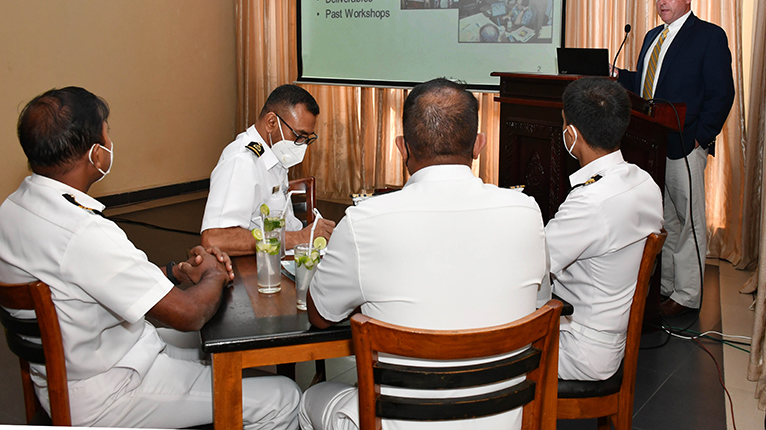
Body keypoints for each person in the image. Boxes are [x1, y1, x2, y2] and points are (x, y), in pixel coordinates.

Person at [0, 87, 301, 428]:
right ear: (96, 154)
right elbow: (190, 315)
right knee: (283, 396)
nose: (111, 141)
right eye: (107, 131)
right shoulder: (84, 232)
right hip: (111, 391)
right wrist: (214, 273)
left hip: (75, 369)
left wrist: (175, 272)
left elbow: (94, 277)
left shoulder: (12, 209)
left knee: (221, 345)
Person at [299, 78, 547, 430]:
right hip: (504, 418)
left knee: (308, 399)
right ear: (479, 145)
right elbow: (538, 302)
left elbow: (320, 315)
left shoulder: (363, 222)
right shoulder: (527, 212)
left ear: (402, 148)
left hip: (401, 422)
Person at [614, 0, 735, 316]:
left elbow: (722, 92)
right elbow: (650, 85)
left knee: (690, 221)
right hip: (651, 144)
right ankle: (666, 287)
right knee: (665, 221)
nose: (662, 1)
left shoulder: (708, 36)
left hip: (686, 142)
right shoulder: (653, 36)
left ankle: (688, 295)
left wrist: (701, 136)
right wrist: (619, 77)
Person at [547, 78, 663, 381]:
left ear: (571, 134)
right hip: (609, 339)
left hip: (578, 346)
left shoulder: (591, 202)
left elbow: (533, 264)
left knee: (488, 348)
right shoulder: (644, 182)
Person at [201, 84, 335, 256]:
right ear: (271, 123)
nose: (301, 145)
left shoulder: (275, 156)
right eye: (298, 136)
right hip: (252, 272)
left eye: (307, 139)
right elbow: (215, 239)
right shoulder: (242, 161)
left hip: (277, 257)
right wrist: (298, 237)